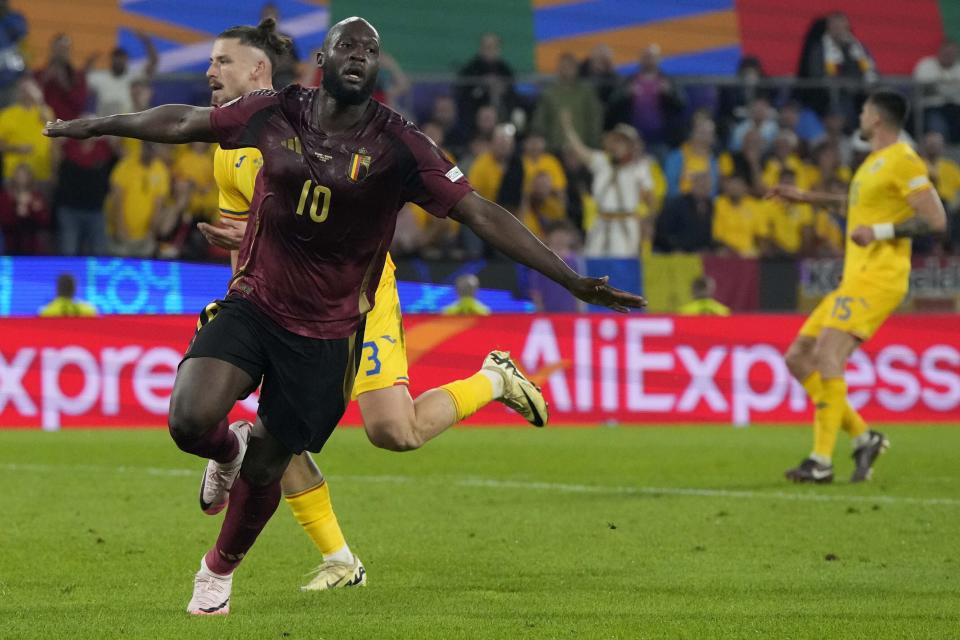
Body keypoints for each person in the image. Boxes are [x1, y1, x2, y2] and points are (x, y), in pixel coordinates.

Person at [45, 17, 645, 615]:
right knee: (187, 419)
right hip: (257, 302)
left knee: (378, 434)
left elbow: (482, 214)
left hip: (332, 326)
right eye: (346, 46)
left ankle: (220, 572)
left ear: (376, 68)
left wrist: (569, 278)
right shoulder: (276, 112)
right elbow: (182, 122)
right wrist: (96, 125)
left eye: (370, 50)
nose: (359, 55)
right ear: (323, 62)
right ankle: (246, 473)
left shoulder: (401, 145)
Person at [769, 89, 946, 484]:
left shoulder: (903, 159)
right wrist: (807, 198)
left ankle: (821, 461)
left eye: (864, 110)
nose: (860, 116)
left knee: (829, 354)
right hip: (855, 276)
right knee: (798, 357)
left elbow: (936, 220)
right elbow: (858, 209)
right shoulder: (873, 164)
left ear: (878, 118)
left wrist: (881, 231)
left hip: (880, 275)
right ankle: (864, 438)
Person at [561, 112, 653, 257]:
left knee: (621, 263)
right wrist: (568, 129)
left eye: (621, 142)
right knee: (593, 260)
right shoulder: (601, 161)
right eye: (615, 141)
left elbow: (649, 198)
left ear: (630, 146)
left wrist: (647, 222)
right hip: (601, 222)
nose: (617, 145)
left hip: (625, 223)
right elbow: (580, 150)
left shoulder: (639, 168)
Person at [55, 119, 116, 256]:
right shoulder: (68, 147)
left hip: (95, 210)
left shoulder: (104, 149)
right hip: (70, 209)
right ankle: (68, 278)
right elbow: (56, 164)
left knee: (99, 253)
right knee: (68, 251)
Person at [106, 141, 169, 257]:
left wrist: (151, 232)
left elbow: (158, 205)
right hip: (121, 234)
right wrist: (120, 228)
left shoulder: (161, 170)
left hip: (144, 237)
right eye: (149, 148)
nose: (151, 152)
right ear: (143, 147)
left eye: (155, 149)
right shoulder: (126, 165)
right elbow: (117, 200)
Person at [530, 52, 602, 153]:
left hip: (582, 148)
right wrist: (540, 141)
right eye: (563, 66)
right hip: (555, 147)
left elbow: (594, 119)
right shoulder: (549, 93)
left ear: (576, 69)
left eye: (570, 66)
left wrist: (593, 144)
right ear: (558, 69)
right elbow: (540, 120)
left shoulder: (586, 93)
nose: (567, 70)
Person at [87, 32, 157, 117]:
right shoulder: (100, 77)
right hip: (104, 123)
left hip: (127, 123)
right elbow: (82, 81)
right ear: (111, 59)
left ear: (126, 60)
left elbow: (152, 63)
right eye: (116, 58)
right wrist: (89, 62)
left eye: (121, 58)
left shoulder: (133, 76)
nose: (118, 61)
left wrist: (147, 43)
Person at [0, 77, 54, 187]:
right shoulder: (7, 114)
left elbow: (55, 132)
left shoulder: (45, 111)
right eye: (23, 90)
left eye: (30, 89)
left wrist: (39, 101)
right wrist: (16, 148)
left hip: (40, 174)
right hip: (13, 175)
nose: (26, 93)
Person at [456, 33, 516, 129]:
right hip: (474, 117)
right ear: (481, 48)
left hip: (502, 115)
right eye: (487, 47)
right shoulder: (470, 69)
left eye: (493, 47)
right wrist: (483, 87)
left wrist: (502, 90)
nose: (490, 50)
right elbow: (464, 95)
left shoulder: (505, 70)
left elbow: (513, 94)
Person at [653, 171, 715, 253]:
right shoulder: (677, 204)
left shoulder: (712, 206)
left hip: (702, 254)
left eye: (706, 185)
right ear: (693, 185)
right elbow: (662, 232)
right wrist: (674, 248)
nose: (704, 188)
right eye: (700, 184)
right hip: (677, 253)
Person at [712, 174, 770, 258]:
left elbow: (762, 234)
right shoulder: (718, 204)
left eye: (738, 185)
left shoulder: (754, 206)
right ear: (727, 188)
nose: (735, 188)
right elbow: (717, 236)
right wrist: (733, 252)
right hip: (725, 251)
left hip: (748, 253)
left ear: (745, 188)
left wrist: (762, 253)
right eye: (732, 185)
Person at [35, 33, 90, 121]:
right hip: (42, 124)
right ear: (52, 51)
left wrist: (64, 83)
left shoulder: (78, 77)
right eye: (58, 49)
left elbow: (80, 104)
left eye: (64, 50)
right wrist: (45, 79)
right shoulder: (39, 74)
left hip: (68, 125)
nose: (60, 54)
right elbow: (33, 99)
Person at [913, 40, 960, 142]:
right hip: (931, 107)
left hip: (955, 108)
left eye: (952, 54)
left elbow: (938, 88)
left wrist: (939, 86)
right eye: (946, 53)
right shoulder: (925, 65)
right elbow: (922, 87)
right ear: (940, 52)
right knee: (937, 126)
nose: (948, 56)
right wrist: (951, 87)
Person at [0, 163, 50, 254]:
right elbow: (4, 221)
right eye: (19, 175)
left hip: (32, 244)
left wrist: (35, 210)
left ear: (30, 177)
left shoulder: (37, 196)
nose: (21, 178)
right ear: (14, 177)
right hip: (11, 243)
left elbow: (44, 222)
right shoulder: (5, 196)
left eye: (24, 175)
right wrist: (16, 210)